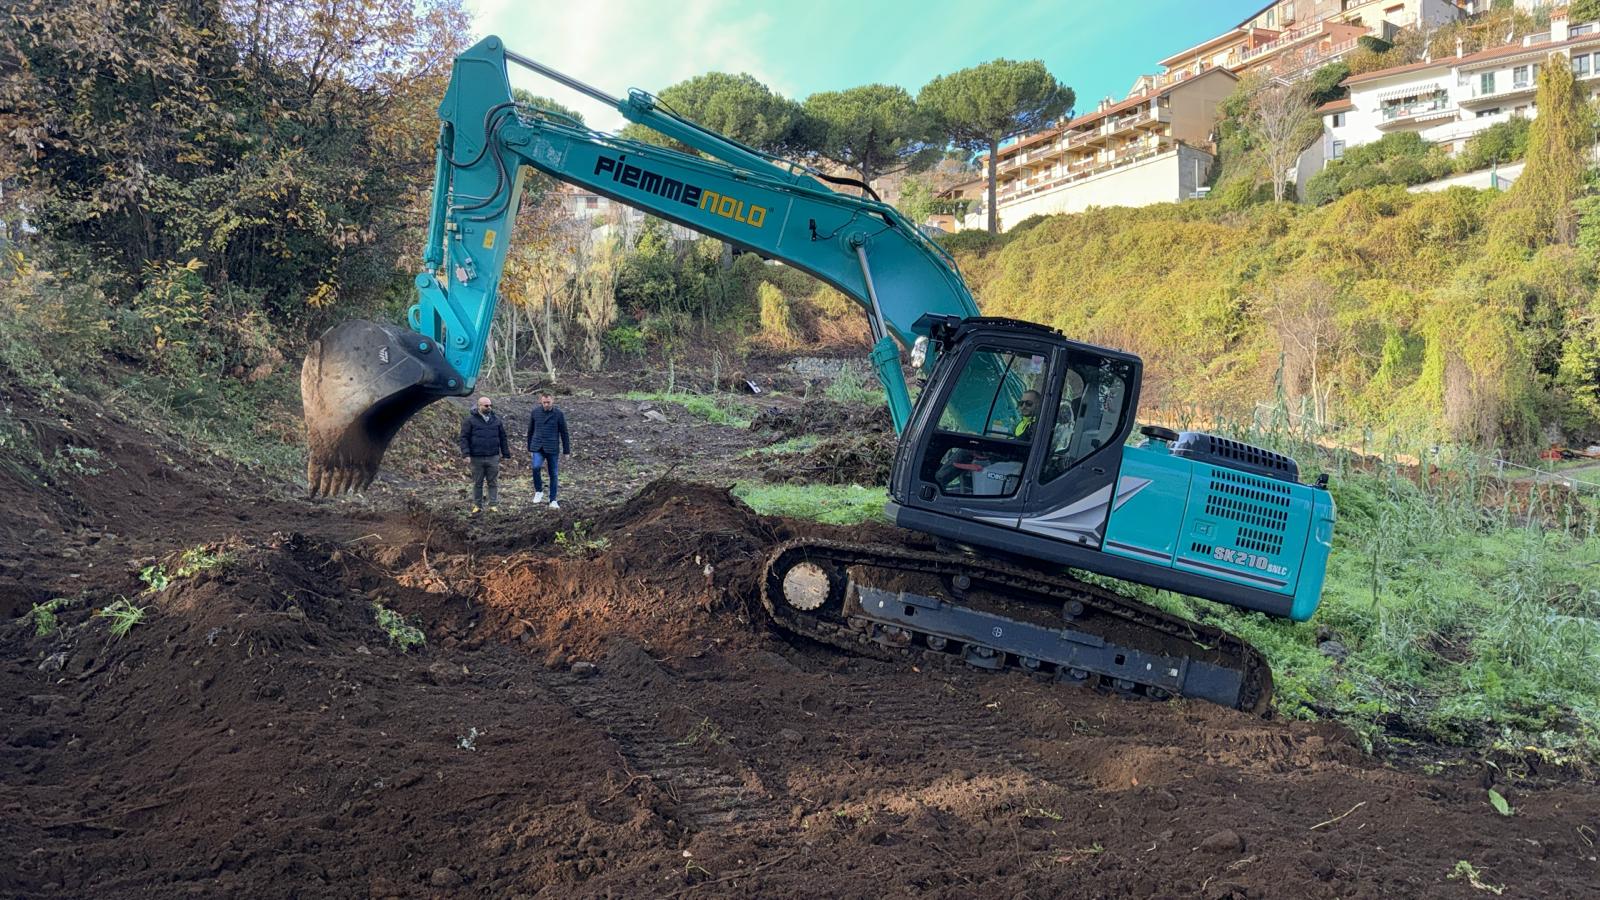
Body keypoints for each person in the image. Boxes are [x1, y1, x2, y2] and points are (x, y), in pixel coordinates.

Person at [459, 396, 511, 513]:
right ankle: (477, 505)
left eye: (490, 405)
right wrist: (466, 454)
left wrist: (506, 454)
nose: (489, 408)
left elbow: (503, 437)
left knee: (493, 482)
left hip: (493, 456)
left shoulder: (496, 420)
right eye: (486, 406)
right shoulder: (470, 421)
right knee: (478, 482)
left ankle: (493, 505)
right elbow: (464, 438)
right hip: (476, 457)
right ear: (479, 406)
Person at [526, 391, 571, 509]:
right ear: (541, 401)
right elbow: (530, 431)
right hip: (537, 446)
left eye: (548, 402)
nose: (546, 404)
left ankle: (553, 500)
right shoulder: (535, 412)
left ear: (553, 401)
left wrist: (567, 451)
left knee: (553, 474)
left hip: (552, 448)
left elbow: (564, 432)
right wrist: (529, 447)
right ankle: (539, 491)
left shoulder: (559, 414)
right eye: (544, 402)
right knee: (535, 467)